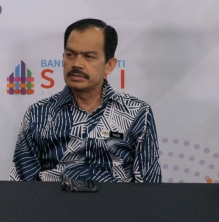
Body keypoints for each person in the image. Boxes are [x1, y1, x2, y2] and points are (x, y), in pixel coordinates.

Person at [11, 18, 161, 183]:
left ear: (109, 65)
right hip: (52, 199)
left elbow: (150, 188)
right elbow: (21, 186)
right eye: (70, 55)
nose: (76, 64)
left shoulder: (137, 113)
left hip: (115, 199)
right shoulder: (38, 114)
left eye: (89, 56)